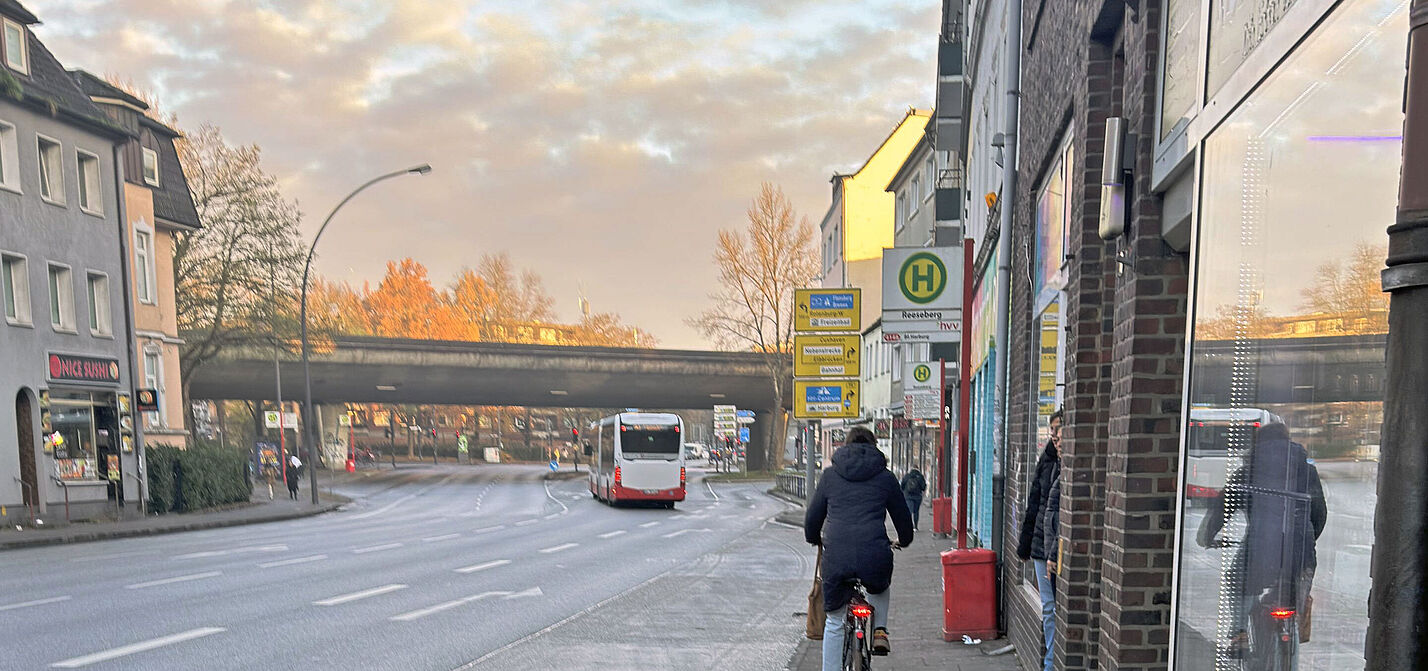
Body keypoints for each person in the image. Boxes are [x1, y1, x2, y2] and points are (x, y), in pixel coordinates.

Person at [1197, 422, 1326, 665]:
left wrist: (1205, 536)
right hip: (1302, 555)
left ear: (1258, 444)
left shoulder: (1248, 471)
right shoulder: (1308, 471)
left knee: (1236, 580)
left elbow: (1222, 509)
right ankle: (1290, 637)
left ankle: (1240, 635)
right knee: (1292, 598)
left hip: (1260, 552)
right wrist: (1306, 542)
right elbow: (1320, 515)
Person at [804, 426, 914, 669]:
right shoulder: (885, 477)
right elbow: (903, 518)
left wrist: (813, 538)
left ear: (846, 445)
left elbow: (812, 518)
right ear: (874, 447)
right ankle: (880, 631)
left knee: (834, 620)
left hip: (836, 555)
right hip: (873, 553)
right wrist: (904, 540)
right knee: (879, 586)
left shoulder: (830, 476)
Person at [1017, 409, 1062, 671]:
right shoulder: (1046, 460)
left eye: (1058, 428)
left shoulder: (1067, 462)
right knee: (1048, 607)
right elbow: (1034, 503)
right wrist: (1025, 545)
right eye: (1052, 429)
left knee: (1056, 607)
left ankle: (1052, 661)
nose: (1054, 434)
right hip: (1040, 546)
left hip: (1057, 546)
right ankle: (1049, 663)